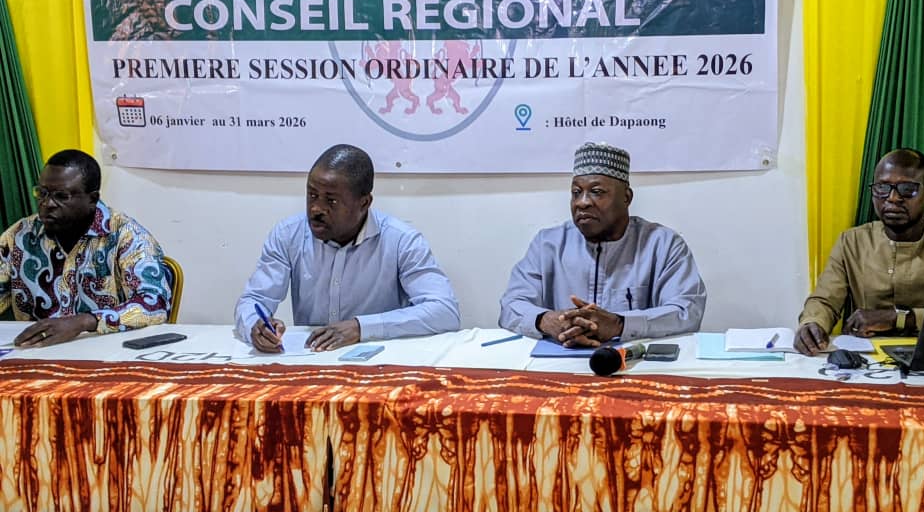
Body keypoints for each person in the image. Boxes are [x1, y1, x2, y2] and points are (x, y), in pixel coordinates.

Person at [235, 144, 461, 352]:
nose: (316, 208)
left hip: (379, 363)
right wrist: (256, 326)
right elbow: (254, 300)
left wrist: (361, 328)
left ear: (364, 203)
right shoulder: (288, 234)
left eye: (331, 200)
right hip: (310, 360)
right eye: (312, 195)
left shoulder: (401, 241)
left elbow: (444, 310)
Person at [499, 142, 706, 346]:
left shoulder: (662, 244)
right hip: (559, 359)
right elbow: (511, 305)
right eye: (576, 192)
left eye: (597, 192)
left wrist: (619, 324)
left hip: (635, 362)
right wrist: (548, 321)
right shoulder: (548, 244)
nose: (582, 202)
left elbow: (687, 310)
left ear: (626, 197)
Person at [794, 148, 924, 355]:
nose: (892, 198)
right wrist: (813, 323)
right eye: (882, 188)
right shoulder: (851, 242)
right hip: (867, 358)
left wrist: (900, 318)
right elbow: (825, 300)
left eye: (907, 189)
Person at [0, 149, 170, 346]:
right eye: (42, 193)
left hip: (107, 350)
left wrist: (84, 322)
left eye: (61, 196)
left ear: (92, 199)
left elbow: (154, 305)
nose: (47, 204)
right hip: (34, 350)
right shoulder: (19, 236)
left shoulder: (126, 237)